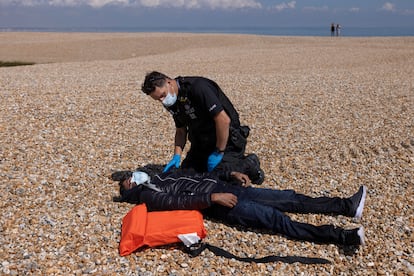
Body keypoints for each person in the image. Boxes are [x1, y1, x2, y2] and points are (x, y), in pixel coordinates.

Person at [116, 169, 367, 247]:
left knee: (289, 198)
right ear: (130, 190)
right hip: (223, 204)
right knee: (277, 220)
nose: (132, 176)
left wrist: (230, 173)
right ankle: (342, 236)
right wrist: (214, 198)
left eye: (130, 175)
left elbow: (196, 174)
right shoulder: (149, 195)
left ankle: (347, 206)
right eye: (128, 181)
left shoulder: (160, 177)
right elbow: (180, 202)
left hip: (229, 187)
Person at [140, 71, 264, 184]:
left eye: (162, 95)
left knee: (222, 181)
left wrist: (219, 151)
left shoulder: (198, 88)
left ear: (169, 82)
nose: (162, 101)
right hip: (201, 143)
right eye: (158, 99)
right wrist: (176, 156)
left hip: (227, 141)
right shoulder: (171, 102)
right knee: (186, 179)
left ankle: (249, 164)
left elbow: (223, 120)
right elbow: (181, 130)